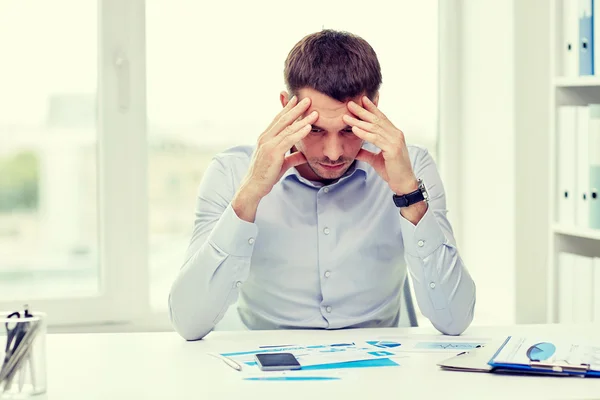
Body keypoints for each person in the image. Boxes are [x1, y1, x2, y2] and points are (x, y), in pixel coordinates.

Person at [168, 29, 476, 341]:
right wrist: (250, 195)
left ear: (374, 107)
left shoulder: (412, 168)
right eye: (314, 129)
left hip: (382, 372)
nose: (333, 152)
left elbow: (455, 319)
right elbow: (189, 323)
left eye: (349, 130)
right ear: (286, 106)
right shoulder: (231, 172)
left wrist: (409, 195)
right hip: (265, 371)